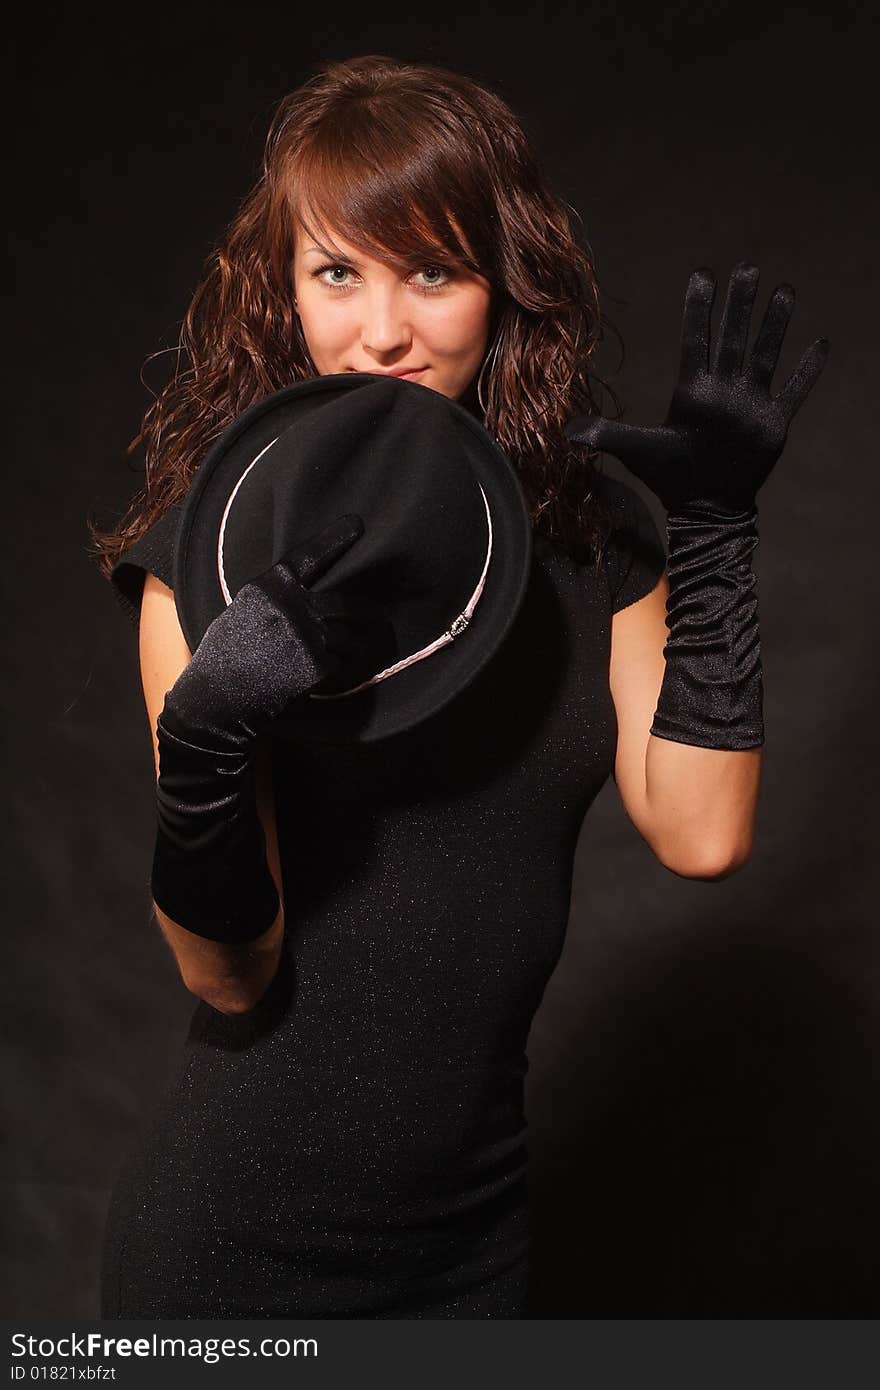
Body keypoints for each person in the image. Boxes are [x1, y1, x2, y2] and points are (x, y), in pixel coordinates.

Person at [89, 53, 827, 1319]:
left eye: (430, 271)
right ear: (286, 293)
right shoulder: (211, 563)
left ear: (503, 284)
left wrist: (710, 533)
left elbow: (701, 833)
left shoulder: (595, 540)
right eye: (338, 273)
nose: (381, 331)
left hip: (473, 1251)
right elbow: (230, 977)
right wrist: (207, 745)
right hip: (233, 1254)